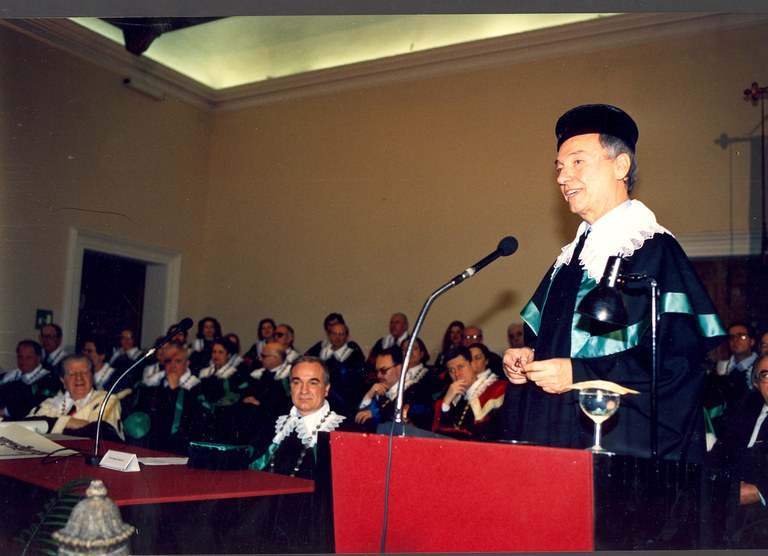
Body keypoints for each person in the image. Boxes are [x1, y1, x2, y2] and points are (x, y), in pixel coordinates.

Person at [501, 104, 725, 462]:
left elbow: (677, 367)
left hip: (617, 446)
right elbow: (557, 347)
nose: (562, 177)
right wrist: (529, 360)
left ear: (620, 166)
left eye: (577, 162)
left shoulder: (653, 251)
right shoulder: (571, 258)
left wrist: (577, 373)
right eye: (559, 168)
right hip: (557, 436)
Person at [249, 356, 346, 480]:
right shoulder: (274, 424)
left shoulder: (341, 431)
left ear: (326, 389)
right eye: (297, 382)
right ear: (291, 387)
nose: (303, 390)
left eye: (313, 383)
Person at [708, 353, 768, 548]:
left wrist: (760, 492)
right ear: (757, 384)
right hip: (730, 499)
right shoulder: (747, 409)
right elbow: (720, 453)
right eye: (766, 375)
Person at [125, 343, 208, 455]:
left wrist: (174, 390)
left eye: (178, 361)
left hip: (180, 447)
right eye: (169, 361)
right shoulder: (153, 386)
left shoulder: (196, 388)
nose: (172, 365)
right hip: (153, 445)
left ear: (186, 364)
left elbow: (192, 423)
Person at [26, 354, 123, 441]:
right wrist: (69, 422)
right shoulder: (50, 404)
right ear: (63, 381)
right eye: (72, 374)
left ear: (92, 377)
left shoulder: (107, 400)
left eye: (84, 372)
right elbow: (26, 426)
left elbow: (97, 433)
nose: (79, 378)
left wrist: (52, 424)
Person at [433, 345, 506, 441]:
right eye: (451, 370)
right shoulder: (453, 394)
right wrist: (446, 403)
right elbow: (443, 435)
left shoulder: (496, 390)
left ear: (473, 365)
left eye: (460, 367)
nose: (457, 374)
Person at [354, 346, 433, 432]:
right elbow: (360, 421)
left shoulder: (417, 392)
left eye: (383, 370)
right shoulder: (380, 390)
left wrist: (376, 415)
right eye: (377, 371)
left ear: (400, 368)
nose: (378, 376)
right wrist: (368, 396)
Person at [704, 321, 759, 439]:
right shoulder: (722, 370)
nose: (736, 340)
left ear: (752, 341)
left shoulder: (759, 369)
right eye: (731, 337)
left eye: (741, 336)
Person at [306, 322, 367, 417]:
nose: (337, 337)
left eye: (341, 334)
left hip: (344, 401)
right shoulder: (321, 353)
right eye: (333, 333)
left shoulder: (353, 355)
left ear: (347, 336)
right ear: (329, 335)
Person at [0, 340, 62, 419]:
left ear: (38, 359)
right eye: (20, 357)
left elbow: (37, 404)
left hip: (29, 422)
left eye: (28, 357)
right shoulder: (10, 376)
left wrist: (5, 411)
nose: (23, 361)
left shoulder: (49, 380)